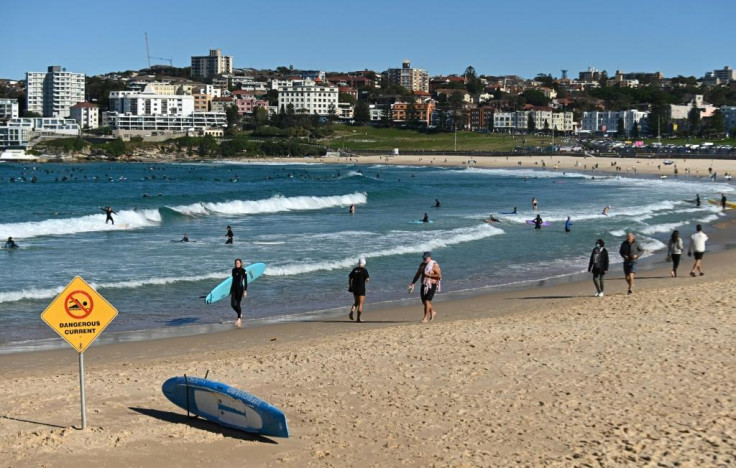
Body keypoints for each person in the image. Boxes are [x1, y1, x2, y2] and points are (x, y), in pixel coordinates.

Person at [409, 251, 442, 323]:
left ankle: (425, 318)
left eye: (426, 258)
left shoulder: (434, 265)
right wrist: (413, 283)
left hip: (431, 285)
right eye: (424, 257)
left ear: (430, 257)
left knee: (427, 301)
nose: (425, 259)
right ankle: (432, 312)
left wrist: (429, 275)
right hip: (424, 284)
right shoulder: (422, 265)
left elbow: (439, 275)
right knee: (424, 302)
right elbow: (417, 274)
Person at [348, 257, 370, 323]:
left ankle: (351, 311)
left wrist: (350, 286)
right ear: (364, 263)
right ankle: (358, 319)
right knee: (360, 303)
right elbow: (367, 279)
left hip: (354, 288)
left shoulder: (354, 269)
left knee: (356, 302)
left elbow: (350, 278)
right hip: (361, 288)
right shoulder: (364, 270)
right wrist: (366, 280)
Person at [229, 258, 248, 326]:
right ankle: (239, 313)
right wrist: (230, 290)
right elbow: (233, 280)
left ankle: (239, 319)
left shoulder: (243, 271)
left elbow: (245, 281)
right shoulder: (233, 270)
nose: (237, 264)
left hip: (240, 289)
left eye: (238, 263)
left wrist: (245, 290)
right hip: (234, 289)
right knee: (232, 304)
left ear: (241, 263)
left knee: (238, 304)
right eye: (236, 263)